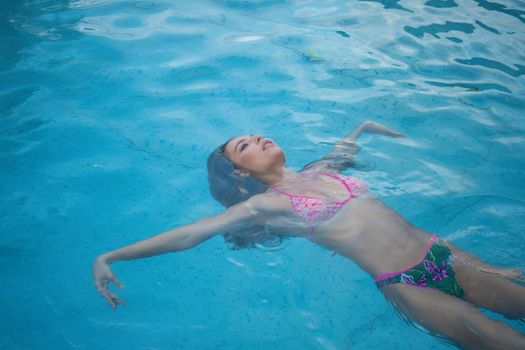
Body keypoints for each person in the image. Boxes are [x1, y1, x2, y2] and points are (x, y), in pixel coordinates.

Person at [92, 120, 525, 349]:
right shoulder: (264, 206)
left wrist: (363, 127)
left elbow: (343, 151)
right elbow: (192, 233)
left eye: (255, 134)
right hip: (410, 287)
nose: (258, 137)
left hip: (447, 256)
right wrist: (109, 256)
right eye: (246, 145)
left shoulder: (322, 171)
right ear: (241, 174)